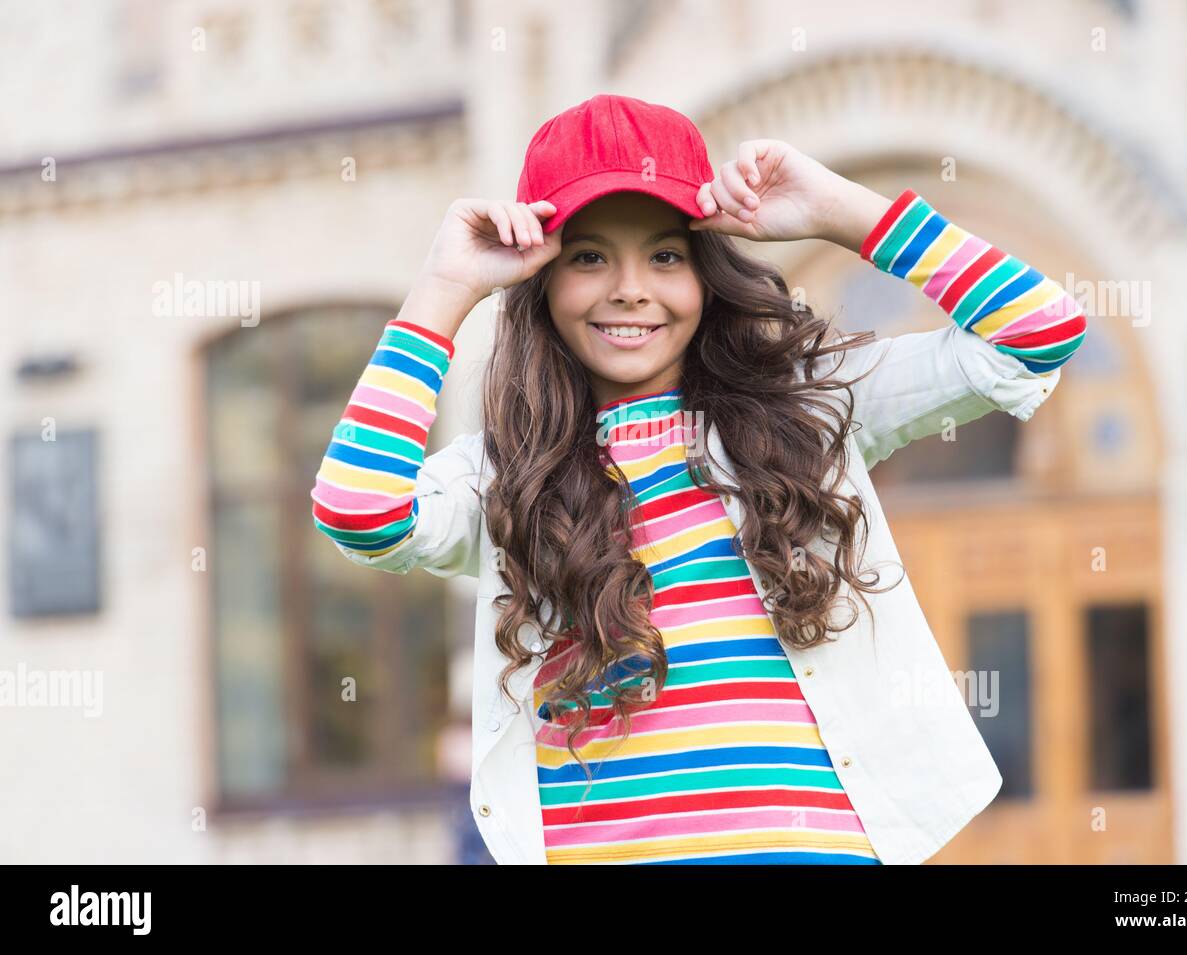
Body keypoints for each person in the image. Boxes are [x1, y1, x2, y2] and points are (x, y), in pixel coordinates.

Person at [310, 94, 1087, 865]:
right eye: (587, 257)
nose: (630, 288)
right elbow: (360, 513)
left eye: (665, 255)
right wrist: (445, 288)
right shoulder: (508, 472)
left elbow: (1037, 334)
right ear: (540, 282)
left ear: (707, 273)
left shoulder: (804, 412)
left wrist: (840, 210)